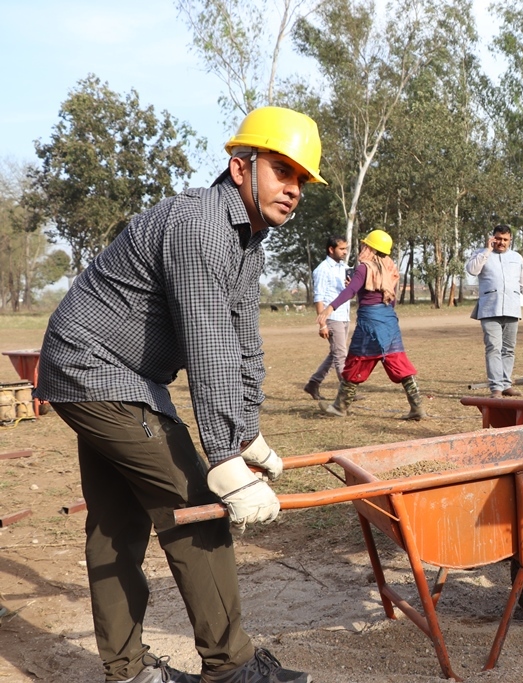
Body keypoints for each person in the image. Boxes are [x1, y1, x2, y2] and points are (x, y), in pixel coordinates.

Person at [34, 107, 318, 683]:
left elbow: (244, 344)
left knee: (117, 523)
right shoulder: (201, 228)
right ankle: (231, 669)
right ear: (240, 167)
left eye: (301, 181)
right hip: (97, 371)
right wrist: (225, 462)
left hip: (109, 374)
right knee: (195, 506)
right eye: (282, 171)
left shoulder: (247, 241)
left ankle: (129, 674)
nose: (292, 189)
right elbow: (209, 348)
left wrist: (246, 432)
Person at [316, 229, 424, 420]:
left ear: (371, 248)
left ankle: (340, 406)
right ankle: (417, 408)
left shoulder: (364, 268)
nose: (362, 247)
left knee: (356, 361)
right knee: (398, 361)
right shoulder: (390, 267)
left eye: (365, 245)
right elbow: (390, 299)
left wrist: (329, 309)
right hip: (389, 321)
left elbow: (349, 291)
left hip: (369, 324)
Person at [465, 225, 523, 398]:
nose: (501, 242)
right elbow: (472, 270)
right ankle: (496, 388)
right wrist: (487, 250)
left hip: (511, 308)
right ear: (492, 238)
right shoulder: (481, 254)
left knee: (508, 349)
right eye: (498, 238)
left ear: (510, 241)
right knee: (493, 348)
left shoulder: (516, 258)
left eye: (505, 239)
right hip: (489, 309)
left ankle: (506, 384)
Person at [304, 235, 350, 401]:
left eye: (346, 248)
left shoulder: (342, 267)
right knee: (341, 355)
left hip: (344, 315)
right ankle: (346, 392)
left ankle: (313, 383)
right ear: (331, 249)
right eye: (342, 249)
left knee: (335, 353)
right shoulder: (322, 269)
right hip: (332, 317)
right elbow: (319, 297)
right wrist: (322, 324)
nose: (345, 252)